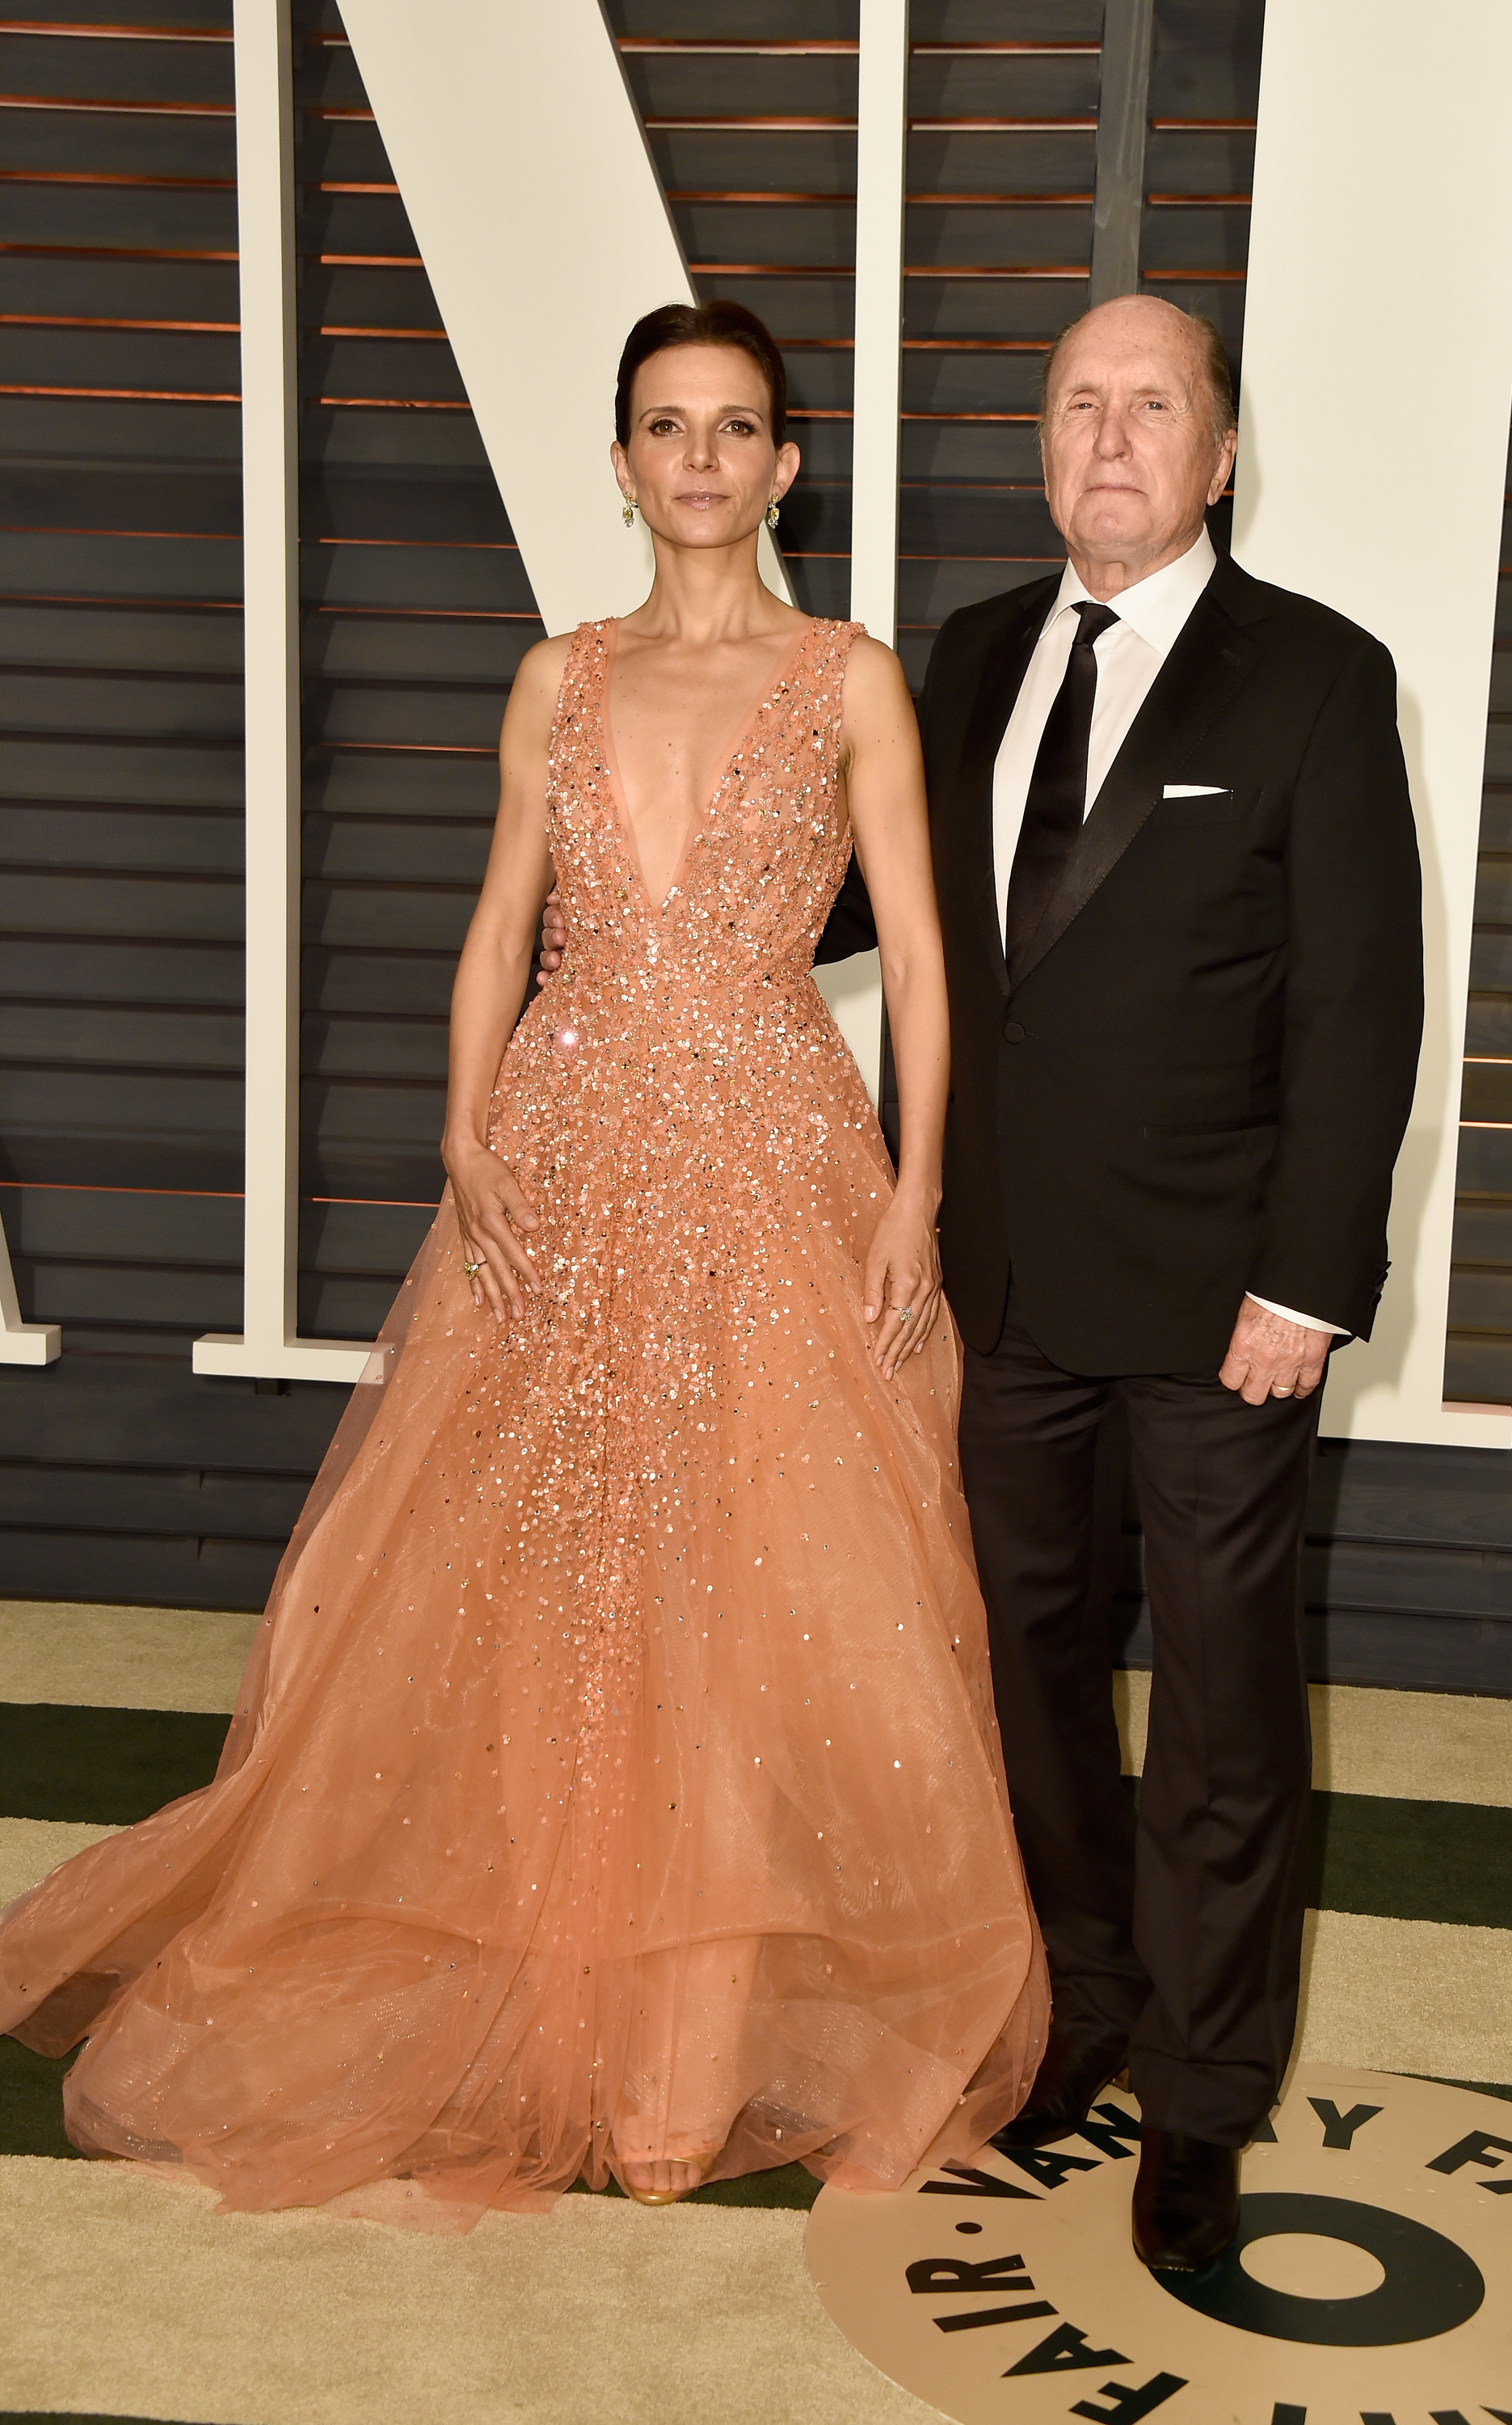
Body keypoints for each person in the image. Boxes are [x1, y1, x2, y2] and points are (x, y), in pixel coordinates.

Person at [0, 300, 1047, 2221]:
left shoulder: (852, 681)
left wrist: (913, 1191)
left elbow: (917, 951)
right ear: (625, 459)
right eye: (669, 427)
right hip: (562, 1165)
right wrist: (465, 1124)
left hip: (766, 1161)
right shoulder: (556, 681)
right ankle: (555, 1994)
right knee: (560, 1583)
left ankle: (685, 2044)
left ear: (786, 463)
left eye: (738, 428)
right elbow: (500, 924)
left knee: (753, 1588)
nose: (705, 461)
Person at [658, 292, 1419, 2272]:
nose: (1109, 437)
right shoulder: (973, 656)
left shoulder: (1322, 681)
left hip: (1218, 1320)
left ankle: (1207, 2100)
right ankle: (1079, 2010)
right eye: (1079, 403)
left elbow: (1360, 1015)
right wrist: (645, 876)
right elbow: (844, 903)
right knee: (1027, 1688)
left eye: (1151, 406)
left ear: (1221, 454)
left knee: (1232, 1723)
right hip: (991, 1297)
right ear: (1043, 443)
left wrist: (1309, 1291)